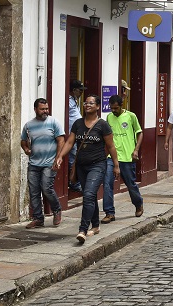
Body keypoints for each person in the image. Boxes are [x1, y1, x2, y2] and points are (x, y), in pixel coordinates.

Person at [54, 94, 120, 244]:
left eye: (91, 103)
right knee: (89, 195)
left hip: (98, 165)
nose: (87, 105)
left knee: (89, 194)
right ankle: (95, 226)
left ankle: (83, 229)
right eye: (86, 102)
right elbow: (70, 142)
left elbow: (110, 146)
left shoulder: (103, 125)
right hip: (81, 166)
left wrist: (116, 165)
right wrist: (60, 157)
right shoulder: (78, 123)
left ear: (97, 106)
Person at [21, 98, 64, 229]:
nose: (45, 111)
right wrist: (26, 149)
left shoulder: (54, 122)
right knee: (34, 192)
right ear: (35, 109)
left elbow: (61, 140)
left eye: (46, 108)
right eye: (42, 109)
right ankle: (38, 219)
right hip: (34, 163)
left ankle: (56, 210)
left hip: (49, 163)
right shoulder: (29, 125)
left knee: (46, 188)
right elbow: (23, 140)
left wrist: (58, 158)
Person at [101, 95, 144, 224]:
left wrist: (136, 150)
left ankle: (138, 203)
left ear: (122, 105)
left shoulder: (131, 116)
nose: (113, 110)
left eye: (116, 108)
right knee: (107, 183)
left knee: (130, 184)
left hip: (127, 157)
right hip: (112, 156)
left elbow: (139, 132)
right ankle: (109, 212)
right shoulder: (108, 117)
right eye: (111, 108)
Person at [67, 79, 85, 192]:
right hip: (71, 135)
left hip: (78, 134)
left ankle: (77, 182)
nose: (81, 93)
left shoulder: (74, 100)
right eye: (80, 90)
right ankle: (74, 183)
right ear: (74, 90)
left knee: (77, 157)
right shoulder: (68, 101)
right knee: (73, 158)